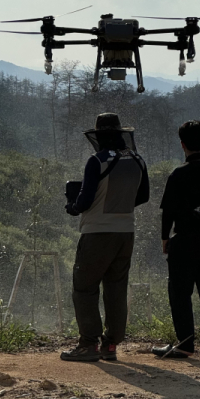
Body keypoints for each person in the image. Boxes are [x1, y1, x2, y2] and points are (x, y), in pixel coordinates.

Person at [61, 112, 149, 363]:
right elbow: (143, 197)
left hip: (97, 233)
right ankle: (111, 345)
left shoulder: (96, 161)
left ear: (98, 136)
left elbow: (85, 201)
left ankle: (89, 344)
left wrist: (72, 205)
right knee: (116, 288)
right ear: (121, 133)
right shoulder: (137, 160)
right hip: (126, 233)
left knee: (85, 287)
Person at [152, 120, 200, 360]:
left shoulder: (179, 175)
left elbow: (168, 212)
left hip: (184, 243)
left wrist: (165, 238)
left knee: (180, 293)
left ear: (182, 144)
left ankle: (185, 344)